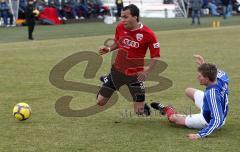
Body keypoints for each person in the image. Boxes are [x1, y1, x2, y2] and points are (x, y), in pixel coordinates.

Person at [97, 4, 160, 116]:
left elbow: (155, 56)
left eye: (125, 17)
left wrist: (147, 71)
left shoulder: (148, 34)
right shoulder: (120, 27)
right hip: (116, 71)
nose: (123, 20)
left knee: (139, 112)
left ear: (135, 17)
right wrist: (109, 49)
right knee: (100, 102)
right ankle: (108, 79)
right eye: (121, 17)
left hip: (135, 76)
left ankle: (143, 105)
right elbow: (118, 42)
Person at [151, 54, 229, 140]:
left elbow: (217, 119)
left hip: (207, 119)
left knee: (173, 118)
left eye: (200, 76)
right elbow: (213, 71)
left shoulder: (212, 94)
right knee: (189, 91)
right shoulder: (222, 77)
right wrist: (204, 65)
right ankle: (185, 116)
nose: (197, 77)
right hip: (209, 105)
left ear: (207, 78)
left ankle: (168, 109)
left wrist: (199, 135)